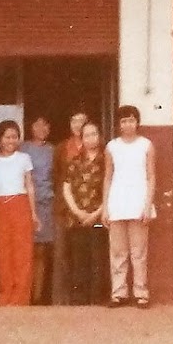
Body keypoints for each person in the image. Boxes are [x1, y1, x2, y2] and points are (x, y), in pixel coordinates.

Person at [102, 104, 155, 308]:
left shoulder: (146, 145)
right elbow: (108, 177)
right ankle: (119, 292)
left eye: (131, 120)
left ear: (137, 122)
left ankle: (141, 292)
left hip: (139, 202)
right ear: (118, 124)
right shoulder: (112, 147)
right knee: (118, 252)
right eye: (123, 121)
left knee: (139, 252)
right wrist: (105, 206)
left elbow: (151, 176)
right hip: (117, 202)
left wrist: (148, 204)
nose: (127, 124)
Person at [0, 119, 38, 306]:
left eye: (15, 137)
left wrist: (33, 213)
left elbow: (29, 185)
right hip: (0, 207)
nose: (11, 141)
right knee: (2, 253)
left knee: (23, 253)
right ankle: (5, 296)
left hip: (20, 203)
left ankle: (21, 298)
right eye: (7, 137)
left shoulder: (24, 158)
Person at [61, 119, 109, 305]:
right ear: (81, 138)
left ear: (100, 136)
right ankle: (79, 300)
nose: (91, 138)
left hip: (98, 217)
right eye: (86, 135)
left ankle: (96, 299)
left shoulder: (106, 160)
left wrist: (96, 213)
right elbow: (66, 188)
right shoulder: (74, 161)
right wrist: (77, 212)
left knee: (97, 257)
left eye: (94, 134)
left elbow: (110, 187)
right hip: (77, 219)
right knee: (79, 259)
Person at [52, 110, 88, 304]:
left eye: (82, 121)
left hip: (87, 208)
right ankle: (61, 301)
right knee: (61, 253)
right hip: (63, 207)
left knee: (83, 252)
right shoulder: (61, 148)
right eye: (74, 120)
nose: (78, 125)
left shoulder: (94, 146)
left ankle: (84, 298)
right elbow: (56, 177)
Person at [23, 116, 56, 305]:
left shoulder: (53, 150)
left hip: (46, 204)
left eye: (46, 124)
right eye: (37, 123)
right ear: (31, 126)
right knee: (27, 251)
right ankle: (24, 293)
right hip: (25, 203)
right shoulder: (23, 148)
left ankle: (38, 296)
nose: (42, 127)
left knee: (42, 251)